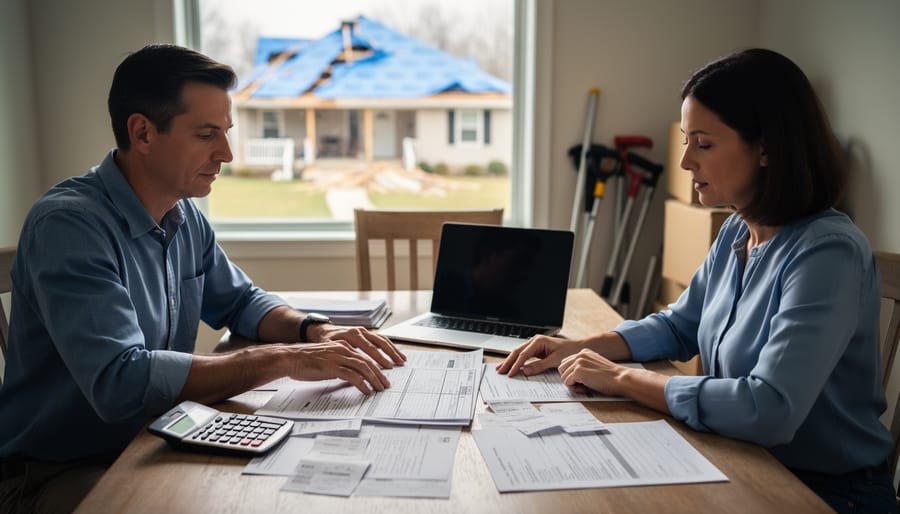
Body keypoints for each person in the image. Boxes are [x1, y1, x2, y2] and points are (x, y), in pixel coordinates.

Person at [0, 44, 406, 513]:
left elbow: (241, 302)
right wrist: (284, 359)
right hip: (58, 472)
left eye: (226, 132)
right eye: (207, 134)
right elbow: (121, 383)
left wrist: (314, 330)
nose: (227, 154)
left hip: (155, 440)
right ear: (143, 132)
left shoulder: (183, 215)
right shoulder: (69, 227)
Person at [498, 48, 897, 514]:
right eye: (687, 140)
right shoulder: (737, 227)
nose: (686, 161)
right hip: (743, 460)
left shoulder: (828, 253)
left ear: (767, 148)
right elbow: (679, 326)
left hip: (827, 493)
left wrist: (625, 379)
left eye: (703, 144)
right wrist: (580, 346)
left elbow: (768, 408)